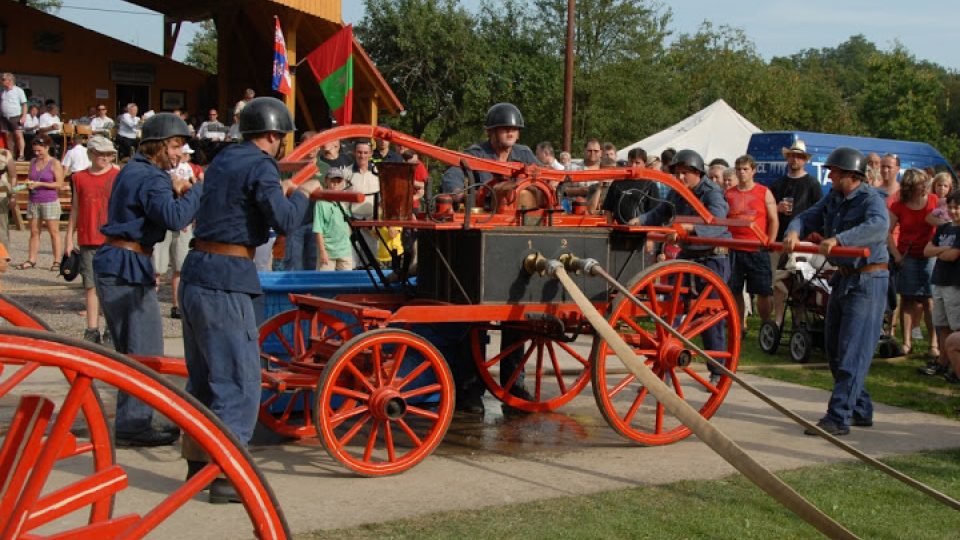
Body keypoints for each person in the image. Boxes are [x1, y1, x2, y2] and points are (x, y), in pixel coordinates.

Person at [179, 97, 320, 502]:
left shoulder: (223, 159)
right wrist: (304, 192)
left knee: (203, 381)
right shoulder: (261, 164)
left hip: (195, 273)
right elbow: (285, 220)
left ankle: (197, 466)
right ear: (273, 136)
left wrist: (282, 189)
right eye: (280, 140)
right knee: (240, 384)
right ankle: (226, 477)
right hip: (226, 278)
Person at [94, 112, 201, 447]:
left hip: (116, 260)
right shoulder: (153, 178)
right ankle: (134, 425)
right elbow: (174, 217)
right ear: (157, 146)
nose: (179, 155)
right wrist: (198, 191)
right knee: (145, 348)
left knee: (129, 348)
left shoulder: (131, 171)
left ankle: (133, 419)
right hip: (127, 262)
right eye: (174, 146)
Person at [440, 102, 539, 413]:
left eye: (513, 128)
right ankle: (470, 390)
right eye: (503, 129)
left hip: (519, 243)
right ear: (491, 132)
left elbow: (544, 182)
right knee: (474, 320)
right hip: (484, 242)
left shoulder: (524, 154)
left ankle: (514, 385)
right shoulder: (475, 155)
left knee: (518, 320)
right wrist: (464, 194)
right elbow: (451, 180)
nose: (510, 132)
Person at [783, 147, 889, 436]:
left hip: (868, 280)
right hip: (842, 278)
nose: (829, 176)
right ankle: (859, 408)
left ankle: (837, 417)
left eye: (834, 172)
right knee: (834, 350)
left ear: (851, 175)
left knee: (852, 351)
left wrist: (840, 238)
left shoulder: (872, 199)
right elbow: (807, 217)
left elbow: (879, 227)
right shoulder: (834, 197)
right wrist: (793, 230)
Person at [630, 149, 731, 385]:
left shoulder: (712, 193)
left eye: (685, 173)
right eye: (678, 173)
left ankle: (718, 369)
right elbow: (661, 211)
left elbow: (717, 222)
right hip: (688, 258)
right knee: (671, 311)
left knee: (710, 317)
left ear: (697, 173)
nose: (681, 178)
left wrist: (690, 229)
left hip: (713, 259)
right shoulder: (678, 193)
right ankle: (662, 368)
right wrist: (641, 220)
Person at [64, 135, 119, 343]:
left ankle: (111, 328)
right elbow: (75, 209)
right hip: (87, 237)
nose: (105, 158)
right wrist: (68, 238)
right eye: (101, 154)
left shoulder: (117, 174)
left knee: (111, 285)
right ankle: (92, 328)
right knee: (90, 285)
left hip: (112, 238)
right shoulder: (78, 178)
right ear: (91, 154)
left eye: (108, 154)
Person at [769, 140, 822, 322]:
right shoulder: (778, 184)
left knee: (800, 283)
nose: (794, 160)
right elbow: (768, 211)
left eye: (799, 157)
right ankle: (778, 320)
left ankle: (799, 321)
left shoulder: (812, 184)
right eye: (792, 156)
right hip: (779, 239)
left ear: (804, 160)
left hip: (802, 242)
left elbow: (819, 213)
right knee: (778, 281)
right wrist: (777, 208)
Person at [888, 169, 938, 358]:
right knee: (907, 299)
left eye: (925, 182)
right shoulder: (900, 205)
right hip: (907, 255)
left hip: (929, 255)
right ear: (911, 186)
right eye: (920, 183)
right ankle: (907, 343)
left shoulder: (934, 201)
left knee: (929, 300)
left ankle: (934, 344)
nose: (924, 186)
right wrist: (896, 255)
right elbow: (888, 231)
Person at [725, 154, 778, 331]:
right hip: (734, 249)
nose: (741, 173)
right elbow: (722, 219)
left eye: (745, 169)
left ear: (753, 171)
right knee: (734, 290)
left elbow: (773, 219)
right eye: (738, 169)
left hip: (757, 248)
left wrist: (769, 241)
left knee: (763, 291)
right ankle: (740, 325)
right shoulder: (729, 194)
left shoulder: (764, 192)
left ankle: (765, 326)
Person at [154, 143, 204, 319]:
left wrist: (189, 216)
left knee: (180, 266)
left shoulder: (189, 170)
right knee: (156, 267)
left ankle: (177, 306)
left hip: (183, 223)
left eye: (184, 153)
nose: (182, 156)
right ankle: (150, 304)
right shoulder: (159, 170)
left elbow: (191, 194)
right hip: (164, 221)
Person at [922, 190, 960, 379]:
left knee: (956, 325)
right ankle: (943, 360)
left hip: (954, 283)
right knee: (941, 323)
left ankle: (956, 366)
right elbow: (927, 250)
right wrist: (943, 250)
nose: (953, 211)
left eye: (957, 207)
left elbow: (953, 256)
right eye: (951, 207)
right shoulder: (944, 228)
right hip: (939, 280)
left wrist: (941, 252)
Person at [16, 134, 64, 271]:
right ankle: (31, 259)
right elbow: (30, 177)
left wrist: (40, 184)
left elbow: (59, 184)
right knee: (34, 231)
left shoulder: (54, 163)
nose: (37, 153)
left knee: (53, 231)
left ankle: (57, 261)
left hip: (49, 200)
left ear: (47, 147)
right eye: (35, 151)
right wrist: (28, 183)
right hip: (34, 200)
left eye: (39, 150)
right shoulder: (32, 162)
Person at [601, 147, 659, 224]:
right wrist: (610, 224)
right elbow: (608, 208)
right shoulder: (618, 182)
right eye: (631, 162)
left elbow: (654, 212)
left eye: (637, 163)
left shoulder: (650, 185)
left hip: (641, 231)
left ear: (644, 164)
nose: (633, 166)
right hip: (619, 230)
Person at [314, 167, 353, 270]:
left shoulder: (345, 201)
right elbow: (318, 230)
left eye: (338, 181)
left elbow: (348, 223)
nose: (335, 184)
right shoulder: (320, 203)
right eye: (332, 180)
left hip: (345, 251)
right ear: (326, 181)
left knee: (347, 284)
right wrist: (322, 252)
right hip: (328, 252)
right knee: (324, 284)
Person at [1, 73, 28, 160]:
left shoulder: (18, 90)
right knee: (8, 136)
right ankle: (11, 155)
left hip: (16, 116)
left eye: (3, 79)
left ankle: (21, 154)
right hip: (5, 117)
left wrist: (23, 116)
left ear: (9, 80)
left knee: (18, 135)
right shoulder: (3, 91)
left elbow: (24, 104)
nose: (2, 81)